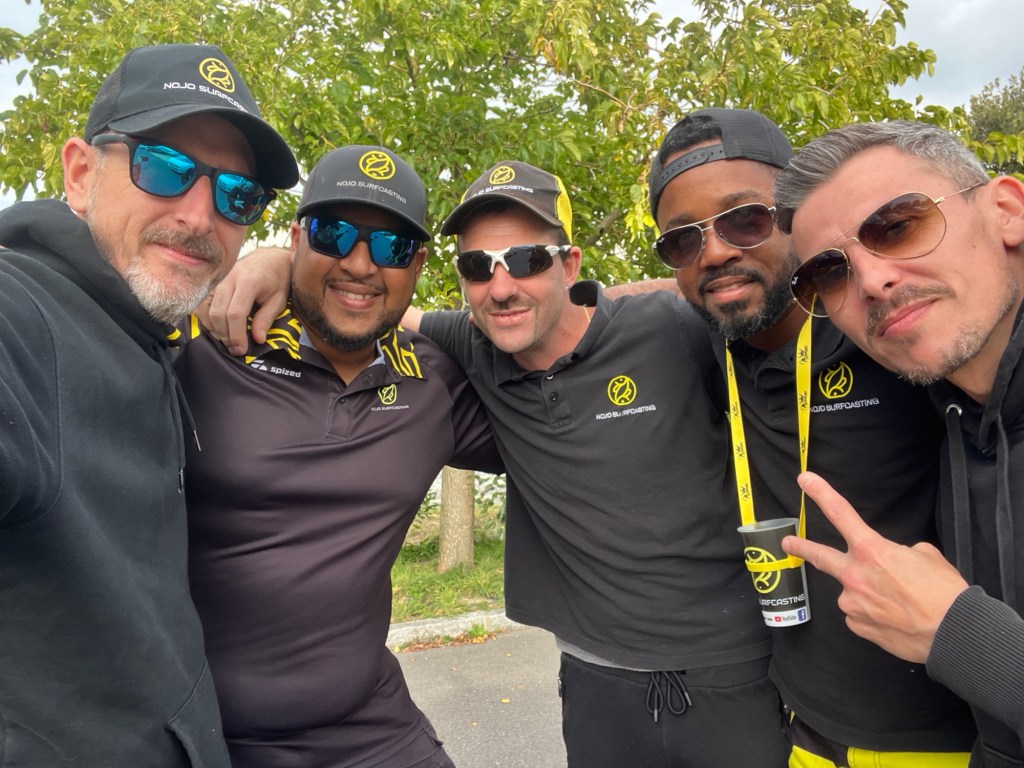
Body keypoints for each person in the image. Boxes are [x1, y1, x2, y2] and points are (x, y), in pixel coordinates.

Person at [206, 161, 789, 766]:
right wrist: (278, 263)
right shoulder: (467, 348)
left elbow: (759, 310)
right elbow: (367, 303)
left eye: (528, 260)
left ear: (569, 265)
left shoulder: (674, 328)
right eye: (477, 267)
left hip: (734, 671)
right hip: (594, 681)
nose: (502, 286)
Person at [643, 108, 976, 767]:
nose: (715, 253)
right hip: (801, 730)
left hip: (942, 738)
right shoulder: (710, 341)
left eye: (745, 219)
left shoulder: (889, 329)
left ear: (796, 217)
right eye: (682, 241)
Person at [0, 43, 297, 766]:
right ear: (81, 174)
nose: (199, 216)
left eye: (237, 197)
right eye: (163, 167)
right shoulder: (26, 317)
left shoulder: (149, 330)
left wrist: (286, 261)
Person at [175, 145, 501, 768]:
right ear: (297, 237)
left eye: (392, 247)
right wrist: (259, 263)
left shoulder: (434, 381)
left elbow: (557, 379)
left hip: (372, 732)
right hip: (204, 739)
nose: (360, 264)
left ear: (418, 265)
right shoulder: (206, 340)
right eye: (334, 234)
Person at [773, 120, 1024, 766]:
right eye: (829, 272)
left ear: (1007, 210)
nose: (871, 280)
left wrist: (958, 632)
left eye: (897, 226)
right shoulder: (955, 413)